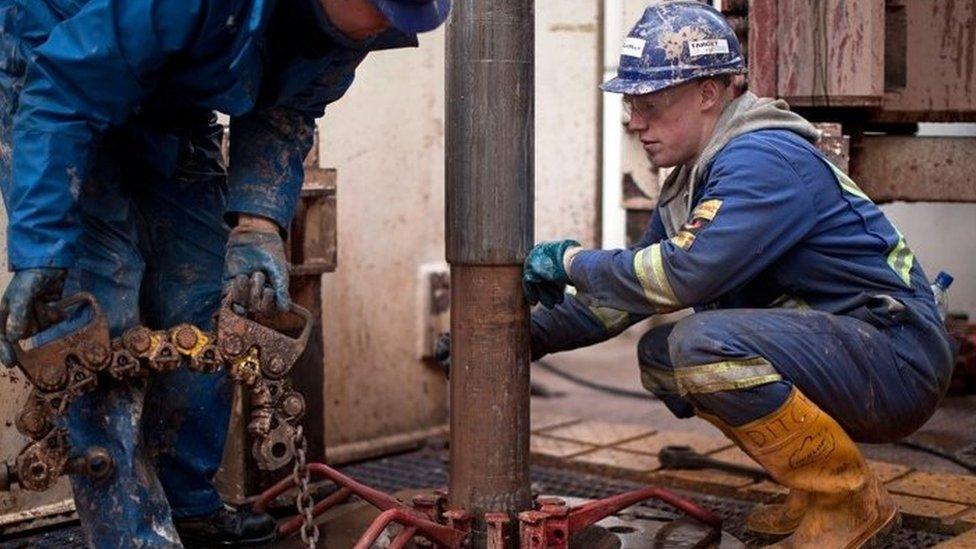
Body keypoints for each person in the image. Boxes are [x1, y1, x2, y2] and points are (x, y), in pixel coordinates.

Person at [0, 0, 450, 546]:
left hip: (171, 108)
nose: (382, 27)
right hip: (59, 76)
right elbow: (64, 90)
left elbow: (288, 109)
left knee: (206, 298)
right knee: (100, 309)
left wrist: (258, 225)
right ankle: (130, 531)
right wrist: (43, 247)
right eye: (380, 10)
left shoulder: (349, 32)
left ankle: (187, 502)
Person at [522, 2, 955, 547]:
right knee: (660, 356)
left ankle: (847, 500)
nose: (634, 122)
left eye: (652, 103)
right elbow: (629, 297)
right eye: (631, 103)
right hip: (850, 346)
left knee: (702, 345)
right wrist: (527, 335)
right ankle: (811, 490)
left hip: (897, 358)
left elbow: (681, 276)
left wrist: (569, 262)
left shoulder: (763, 159)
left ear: (709, 93)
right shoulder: (693, 178)